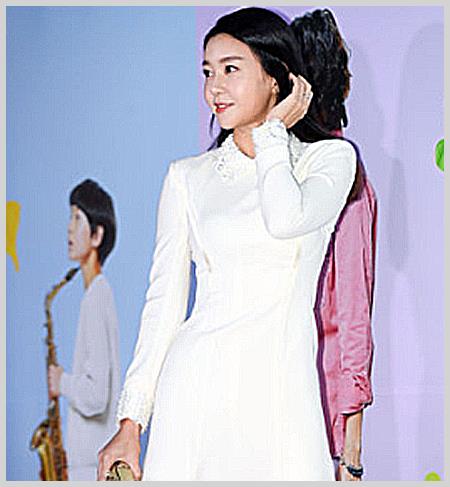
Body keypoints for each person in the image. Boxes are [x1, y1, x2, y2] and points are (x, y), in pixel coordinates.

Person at [98, 7, 358, 481]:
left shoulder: (330, 160)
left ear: (277, 78)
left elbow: (285, 218)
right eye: (207, 72)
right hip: (195, 394)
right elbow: (163, 307)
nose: (214, 88)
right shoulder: (187, 178)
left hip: (280, 397)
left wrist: (273, 132)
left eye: (230, 69)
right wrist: (131, 421)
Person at [291, 9, 376, 481]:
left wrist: (350, 451)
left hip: (305, 404)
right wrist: (352, 453)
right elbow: (353, 308)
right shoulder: (326, 167)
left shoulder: (332, 168)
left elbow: (352, 308)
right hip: (298, 400)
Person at [47, 179, 121, 480]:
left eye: (77, 219)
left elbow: (96, 396)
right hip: (90, 463)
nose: (69, 228)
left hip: (91, 467)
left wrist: (61, 381)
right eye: (70, 218)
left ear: (97, 235)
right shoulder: (97, 295)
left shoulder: (96, 298)